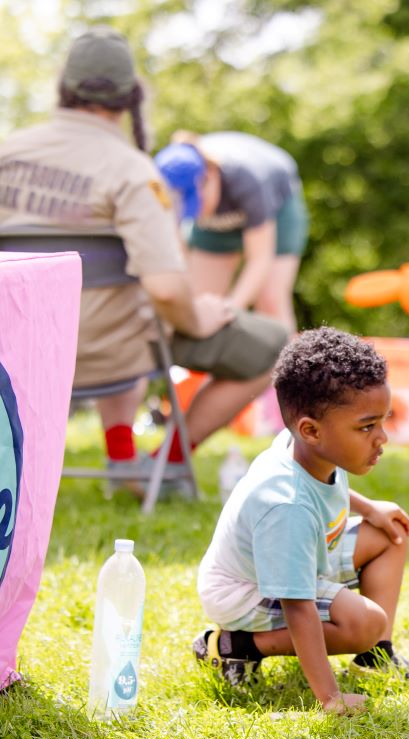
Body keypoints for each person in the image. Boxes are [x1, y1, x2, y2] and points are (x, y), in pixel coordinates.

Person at [0, 27, 287, 493]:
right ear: (130, 96)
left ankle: (124, 461)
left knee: (123, 317)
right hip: (106, 352)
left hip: (14, 351)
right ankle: (164, 465)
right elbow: (168, 290)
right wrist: (200, 317)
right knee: (272, 344)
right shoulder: (131, 169)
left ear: (62, 87)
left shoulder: (7, 153)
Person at [193, 328, 409, 713]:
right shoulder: (286, 506)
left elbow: (327, 487)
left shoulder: (308, 447)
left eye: (382, 422)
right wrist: (330, 697)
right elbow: (298, 607)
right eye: (366, 427)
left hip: (296, 555)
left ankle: (374, 660)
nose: (382, 438)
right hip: (246, 589)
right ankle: (233, 646)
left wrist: (369, 507)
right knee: (364, 624)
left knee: (389, 531)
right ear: (310, 429)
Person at [154, 130, 307, 333]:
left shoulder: (248, 178)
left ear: (209, 176)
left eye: (196, 203)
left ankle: (287, 362)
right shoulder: (162, 188)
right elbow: (177, 254)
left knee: (270, 301)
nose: (195, 213)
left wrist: (229, 311)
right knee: (200, 301)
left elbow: (260, 259)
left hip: (277, 208)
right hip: (219, 224)